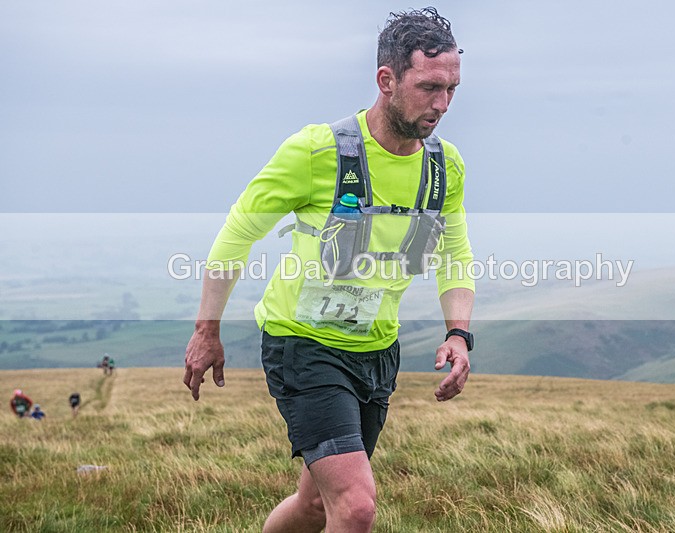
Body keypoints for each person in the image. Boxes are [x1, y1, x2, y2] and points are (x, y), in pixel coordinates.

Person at [184, 8, 475, 532]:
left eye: (452, 88)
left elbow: (454, 254)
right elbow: (238, 233)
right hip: (303, 344)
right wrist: (207, 328)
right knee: (356, 505)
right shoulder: (317, 151)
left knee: (316, 505)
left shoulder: (444, 166)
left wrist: (459, 333)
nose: (443, 104)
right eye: (430, 87)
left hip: (377, 351)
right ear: (386, 80)